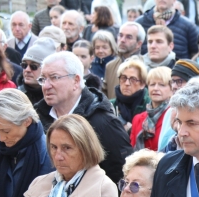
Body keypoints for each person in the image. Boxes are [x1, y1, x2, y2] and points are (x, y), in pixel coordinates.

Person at [35, 51, 133, 183]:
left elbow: (123, 175)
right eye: (43, 79)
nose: (46, 86)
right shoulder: (36, 119)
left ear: (76, 81)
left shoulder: (103, 122)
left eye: (54, 78)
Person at [130, 66, 171, 150]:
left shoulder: (174, 116)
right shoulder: (137, 119)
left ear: (172, 89)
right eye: (152, 84)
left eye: (162, 85)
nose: (155, 88)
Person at [104, 22, 144, 100]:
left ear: (139, 44)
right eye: (120, 35)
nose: (122, 40)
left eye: (129, 37)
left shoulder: (145, 66)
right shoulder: (110, 66)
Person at [110, 58, 150, 133]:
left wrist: (130, 130)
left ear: (142, 84)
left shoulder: (149, 106)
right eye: (123, 78)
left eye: (133, 79)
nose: (127, 83)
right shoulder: (110, 105)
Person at [18, 37, 56, 105]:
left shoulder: (57, 97)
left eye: (33, 66)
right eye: (24, 65)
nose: (27, 70)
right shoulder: (16, 96)